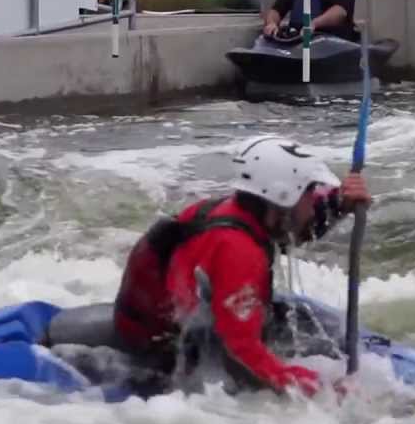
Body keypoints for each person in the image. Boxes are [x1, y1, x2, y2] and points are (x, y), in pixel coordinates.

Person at [112, 135, 372, 397]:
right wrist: (322, 388)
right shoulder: (238, 251)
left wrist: (338, 204)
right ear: (284, 197)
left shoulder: (240, 211)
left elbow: (289, 230)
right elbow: (241, 356)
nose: (313, 197)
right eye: (309, 189)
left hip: (193, 317)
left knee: (318, 325)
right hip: (167, 349)